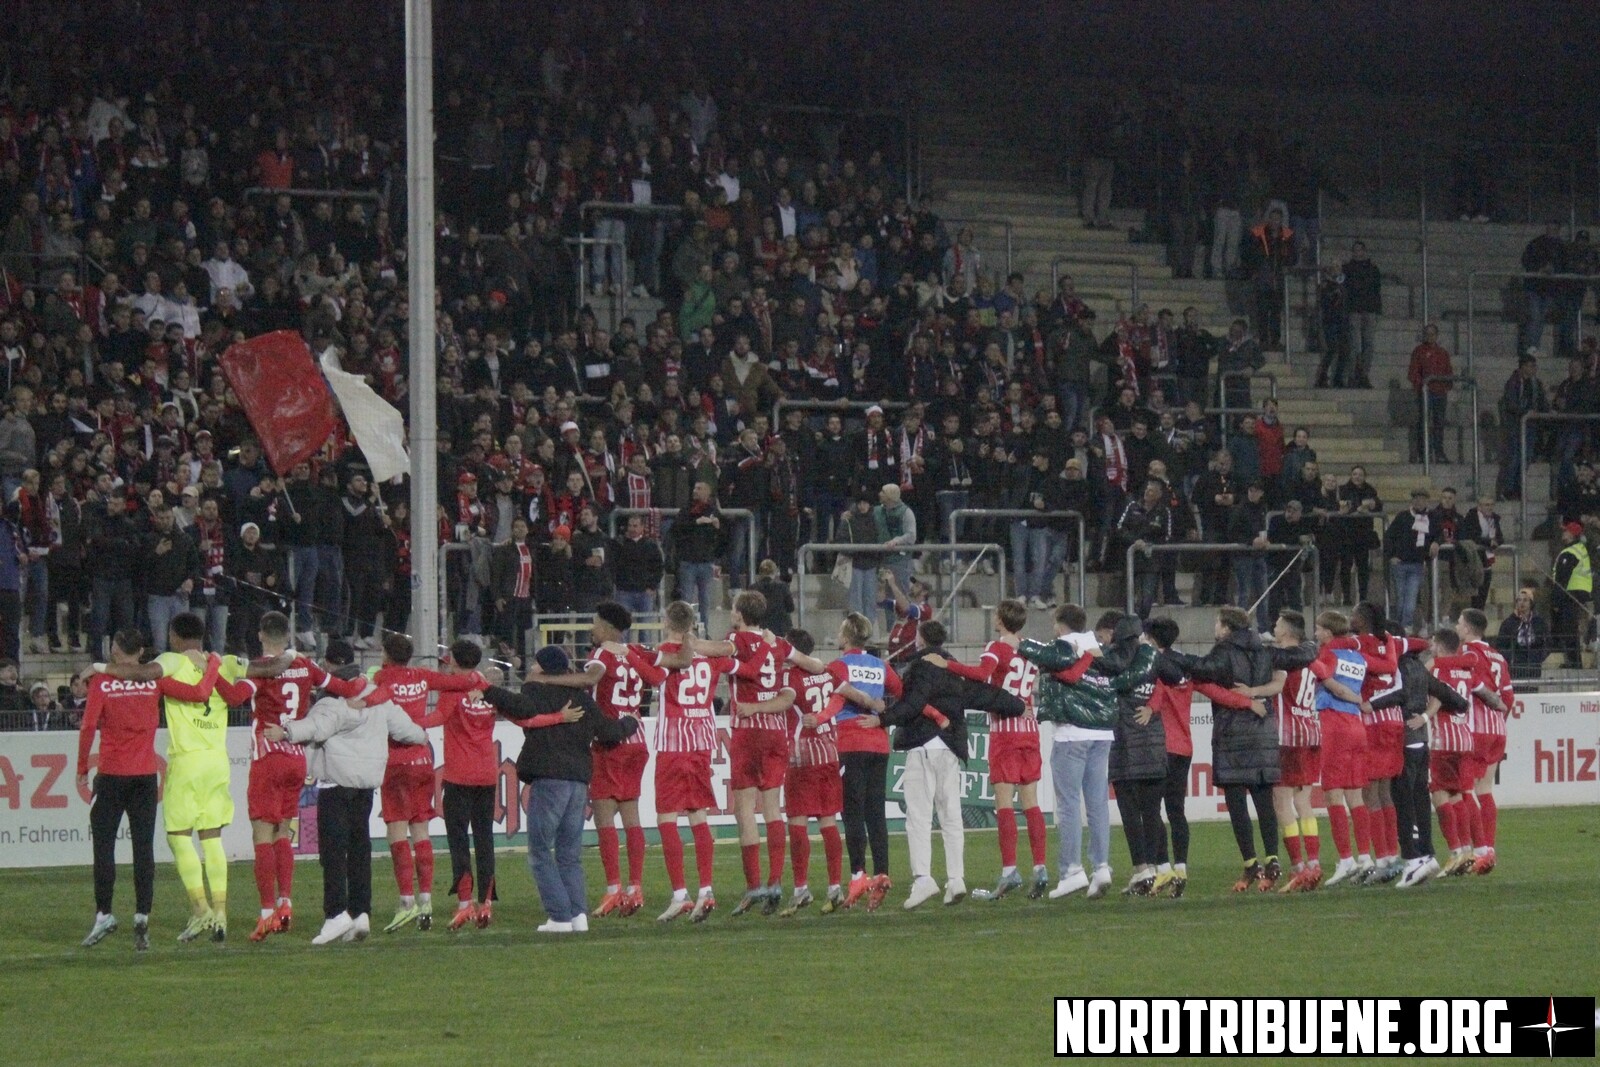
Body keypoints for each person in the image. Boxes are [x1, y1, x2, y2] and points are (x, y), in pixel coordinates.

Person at [91, 612, 252, 942]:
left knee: (179, 837)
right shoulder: (225, 662)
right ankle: (221, 912)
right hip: (217, 761)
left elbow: (141, 674)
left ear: (176, 637)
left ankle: (200, 908)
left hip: (186, 761)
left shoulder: (172, 661)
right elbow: (256, 677)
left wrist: (99, 668)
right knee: (212, 838)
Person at [226, 611, 380, 942]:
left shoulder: (262, 668)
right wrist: (371, 687)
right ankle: (286, 903)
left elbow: (235, 697)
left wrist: (219, 671)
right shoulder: (306, 666)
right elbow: (341, 685)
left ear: (261, 635)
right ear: (288, 634)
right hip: (297, 757)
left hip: (269, 752)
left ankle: (267, 912)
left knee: (261, 834)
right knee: (283, 831)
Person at [263, 641, 424, 945]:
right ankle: (361, 913)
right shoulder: (376, 696)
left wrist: (284, 732)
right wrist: (423, 731)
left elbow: (317, 728)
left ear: (329, 665)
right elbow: (410, 731)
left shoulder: (334, 699)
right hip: (365, 788)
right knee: (359, 850)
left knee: (334, 854)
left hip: (336, 785)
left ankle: (336, 914)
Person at [75, 629, 217, 950]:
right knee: (143, 850)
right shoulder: (155, 680)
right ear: (140, 653)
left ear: (116, 649)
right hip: (143, 779)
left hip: (111, 776)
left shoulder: (103, 682)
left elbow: (87, 726)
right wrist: (213, 665)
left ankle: (104, 915)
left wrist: (82, 768)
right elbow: (199, 694)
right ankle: (142, 918)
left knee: (104, 848)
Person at [480, 647, 637, 934]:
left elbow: (519, 707)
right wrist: (630, 721)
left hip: (549, 779)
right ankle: (578, 915)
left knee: (540, 851)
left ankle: (560, 916)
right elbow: (609, 733)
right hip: (578, 782)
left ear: (541, 668)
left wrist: (485, 689)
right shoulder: (582, 698)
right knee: (568, 853)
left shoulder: (535, 690)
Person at [888, 619, 1026, 908]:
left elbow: (910, 704)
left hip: (923, 745)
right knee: (951, 816)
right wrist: (1017, 705)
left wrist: (881, 719)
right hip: (951, 748)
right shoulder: (955, 672)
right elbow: (990, 696)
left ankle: (924, 878)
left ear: (921, 640)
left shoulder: (919, 666)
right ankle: (956, 879)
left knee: (919, 817)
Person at [533, 601, 650, 918]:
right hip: (637, 739)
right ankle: (635, 887)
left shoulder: (603, 655)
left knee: (604, 817)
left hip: (608, 742)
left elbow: (589, 680)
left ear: (609, 628)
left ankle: (614, 889)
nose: (591, 629)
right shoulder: (634, 653)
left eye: (596, 623)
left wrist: (548, 680)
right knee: (632, 817)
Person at [784, 611, 903, 911]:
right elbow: (901, 692)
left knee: (853, 812)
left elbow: (836, 699)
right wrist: (883, 715)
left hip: (849, 742)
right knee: (876, 812)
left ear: (847, 636)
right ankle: (883, 873)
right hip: (878, 743)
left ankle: (858, 876)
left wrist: (821, 717)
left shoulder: (838, 665)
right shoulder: (879, 665)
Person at [931, 599, 1050, 900]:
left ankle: (1010, 871)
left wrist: (948, 665)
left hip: (1005, 730)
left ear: (1001, 619)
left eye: (995, 613)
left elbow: (982, 674)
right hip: (1030, 729)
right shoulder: (1032, 647)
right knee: (1032, 803)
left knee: (1005, 803)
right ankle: (1040, 867)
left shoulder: (997, 649)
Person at [625, 600, 735, 922]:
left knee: (667, 817)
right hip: (702, 740)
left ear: (666, 622)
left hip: (675, 742)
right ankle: (706, 891)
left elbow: (654, 678)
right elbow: (734, 662)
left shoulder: (668, 651)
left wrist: (630, 655)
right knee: (699, 815)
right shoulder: (710, 656)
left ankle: (680, 895)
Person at [371, 632, 487, 933]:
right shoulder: (423, 676)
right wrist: (479, 684)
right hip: (423, 759)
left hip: (395, 760)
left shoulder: (383, 678)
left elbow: (366, 698)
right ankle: (426, 902)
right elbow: (466, 681)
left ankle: (406, 902)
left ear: (386, 654)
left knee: (397, 830)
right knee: (420, 830)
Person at [1164, 606, 1283, 891]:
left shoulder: (1224, 652)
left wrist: (1169, 655)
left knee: (1237, 801)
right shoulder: (1265, 651)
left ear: (1227, 627)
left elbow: (1203, 671)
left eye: (1217, 623)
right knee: (1264, 800)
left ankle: (1251, 864)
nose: (1214, 628)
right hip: (1264, 731)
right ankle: (1273, 861)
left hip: (1233, 733)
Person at [1017, 605, 1122, 900]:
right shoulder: (1100, 648)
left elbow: (1047, 658)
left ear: (1058, 623)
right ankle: (1101, 866)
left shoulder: (1063, 647)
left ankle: (1072, 871)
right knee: (1097, 803)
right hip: (1102, 733)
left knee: (1068, 804)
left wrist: (1020, 642)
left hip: (1072, 733)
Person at [1373, 629, 1471, 889]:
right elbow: (1449, 695)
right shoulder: (1419, 667)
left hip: (1405, 739)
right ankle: (1427, 854)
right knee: (1419, 798)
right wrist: (1460, 703)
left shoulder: (1400, 668)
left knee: (1404, 800)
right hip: (1422, 742)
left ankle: (1413, 859)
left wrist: (1371, 705)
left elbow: (1399, 695)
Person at [773, 629, 844, 915]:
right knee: (828, 821)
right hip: (830, 751)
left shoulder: (792, 677)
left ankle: (801, 888)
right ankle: (835, 886)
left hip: (802, 755)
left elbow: (788, 700)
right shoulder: (826, 672)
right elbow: (842, 696)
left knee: (798, 821)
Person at [1423, 627, 1499, 886]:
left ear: (1441, 645)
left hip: (1443, 739)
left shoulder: (1435, 668)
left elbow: (1431, 699)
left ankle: (1456, 852)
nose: (1431, 647)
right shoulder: (1466, 669)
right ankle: (1473, 851)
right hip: (1465, 739)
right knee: (1462, 794)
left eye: (1433, 643)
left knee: (1439, 794)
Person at [1455, 608, 1513, 876]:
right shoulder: (1498, 656)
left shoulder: (1468, 653)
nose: (1456, 627)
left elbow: (1474, 685)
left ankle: (1479, 850)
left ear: (1467, 629)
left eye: (1458, 623)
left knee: (1465, 789)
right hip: (1497, 729)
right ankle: (1488, 848)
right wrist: (1500, 720)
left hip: (1476, 729)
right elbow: (1509, 696)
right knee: (1485, 790)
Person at [1384, 490, 1435, 635]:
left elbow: (1437, 533)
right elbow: (1389, 537)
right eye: (1417, 499)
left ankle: (1406, 624)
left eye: (1422, 499)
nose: (1419, 502)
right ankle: (1401, 625)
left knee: (1411, 597)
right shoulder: (1403, 516)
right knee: (1401, 597)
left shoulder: (1431, 517)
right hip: (1400, 563)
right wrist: (1392, 556)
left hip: (1417, 563)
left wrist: (1436, 542)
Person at [1406, 324, 1454, 463]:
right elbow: (1413, 373)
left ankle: (1439, 452)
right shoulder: (1419, 351)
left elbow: (1448, 371)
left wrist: (1447, 385)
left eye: (1433, 334)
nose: (1430, 336)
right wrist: (1421, 386)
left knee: (1439, 423)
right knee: (1424, 423)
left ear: (1437, 335)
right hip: (1426, 393)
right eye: (1427, 334)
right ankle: (1423, 453)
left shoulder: (1443, 352)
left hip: (1440, 393)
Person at [1550, 521, 1591, 668]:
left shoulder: (1569, 553)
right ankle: (1574, 661)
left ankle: (1574, 663)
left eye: (1565, 531)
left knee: (1568, 630)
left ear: (1572, 535)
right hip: (1578, 594)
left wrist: (1555, 602)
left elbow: (1562, 579)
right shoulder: (1580, 549)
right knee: (1571, 629)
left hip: (1570, 595)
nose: (1563, 533)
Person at [1341, 240, 1381, 389]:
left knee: (1368, 344)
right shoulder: (1347, 269)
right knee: (1355, 346)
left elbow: (1377, 290)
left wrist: (1377, 310)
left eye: (1360, 250)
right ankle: (1352, 375)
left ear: (1364, 252)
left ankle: (1364, 374)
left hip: (1369, 309)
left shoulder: (1373, 268)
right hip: (1354, 310)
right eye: (1355, 250)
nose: (1357, 253)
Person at [1495, 586, 1550, 680]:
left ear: (1531, 603)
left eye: (1525, 600)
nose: (1522, 603)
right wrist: (1510, 658)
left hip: (1533, 666)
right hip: (1515, 666)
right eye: (1519, 600)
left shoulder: (1539, 622)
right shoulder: (1508, 623)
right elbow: (1501, 645)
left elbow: (1547, 642)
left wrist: (1538, 657)